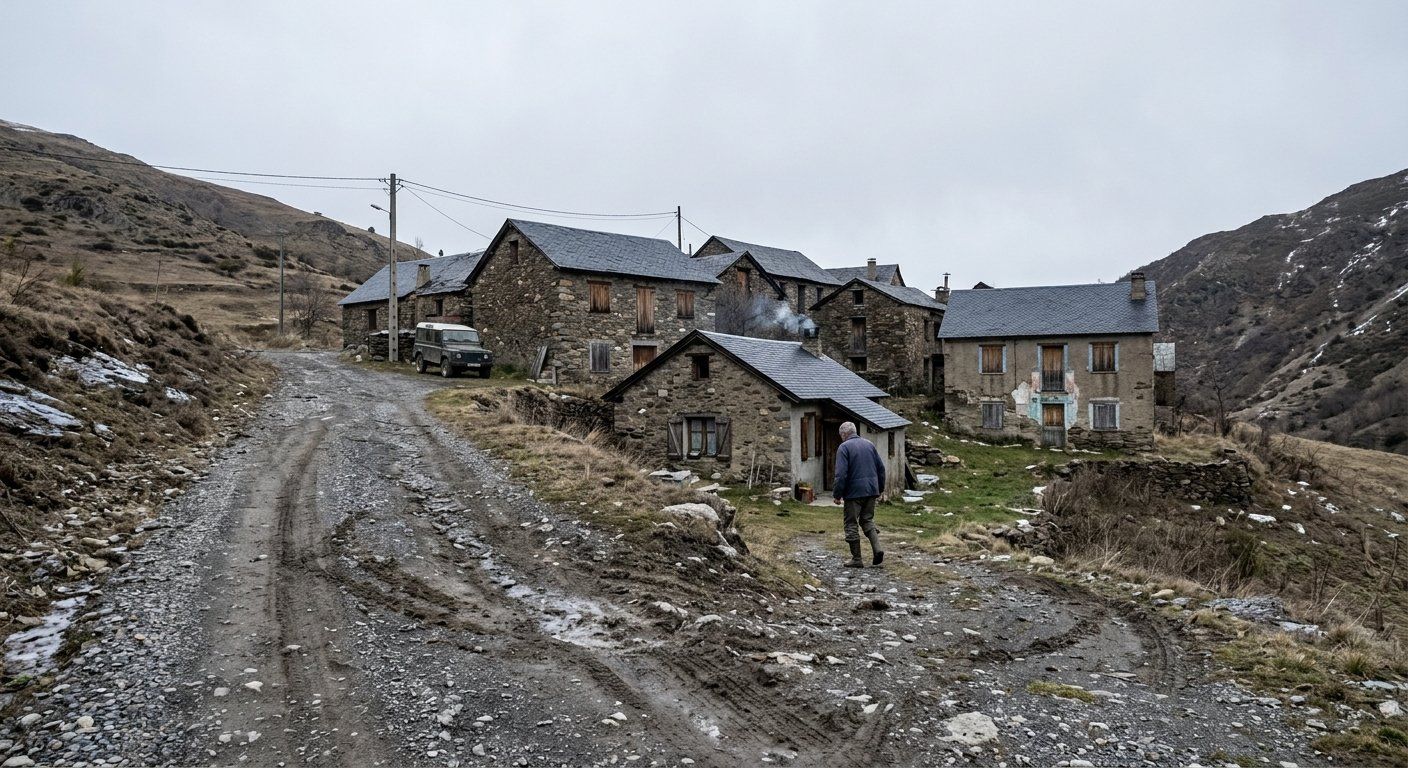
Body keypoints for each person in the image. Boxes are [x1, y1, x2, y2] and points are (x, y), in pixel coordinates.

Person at [831, 421, 886, 567]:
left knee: (851, 523)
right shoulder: (869, 444)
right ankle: (877, 549)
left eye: (841, 435)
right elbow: (881, 469)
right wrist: (879, 489)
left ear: (843, 434)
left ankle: (857, 559)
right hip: (871, 490)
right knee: (867, 520)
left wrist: (837, 494)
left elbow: (841, 475)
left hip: (854, 493)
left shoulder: (844, 447)